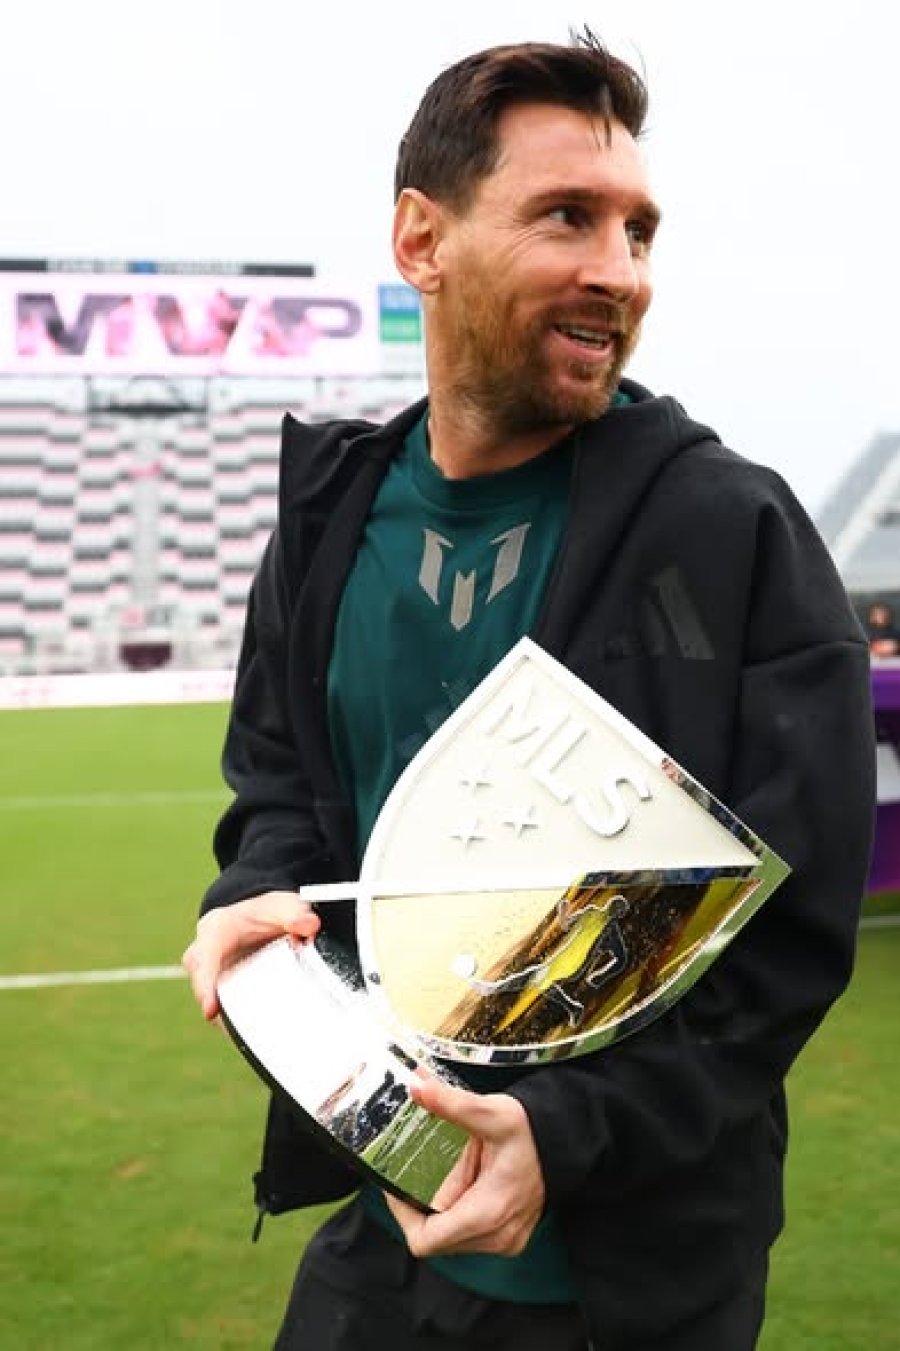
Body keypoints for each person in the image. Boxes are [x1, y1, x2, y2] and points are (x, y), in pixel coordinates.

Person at [182, 29, 876, 1351]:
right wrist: (249, 907)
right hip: (380, 1230)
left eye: (640, 231)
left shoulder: (733, 533)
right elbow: (279, 796)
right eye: (568, 217)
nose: (618, 271)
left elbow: (787, 937)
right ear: (421, 239)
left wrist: (564, 1133)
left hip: (631, 1279)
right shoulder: (328, 520)